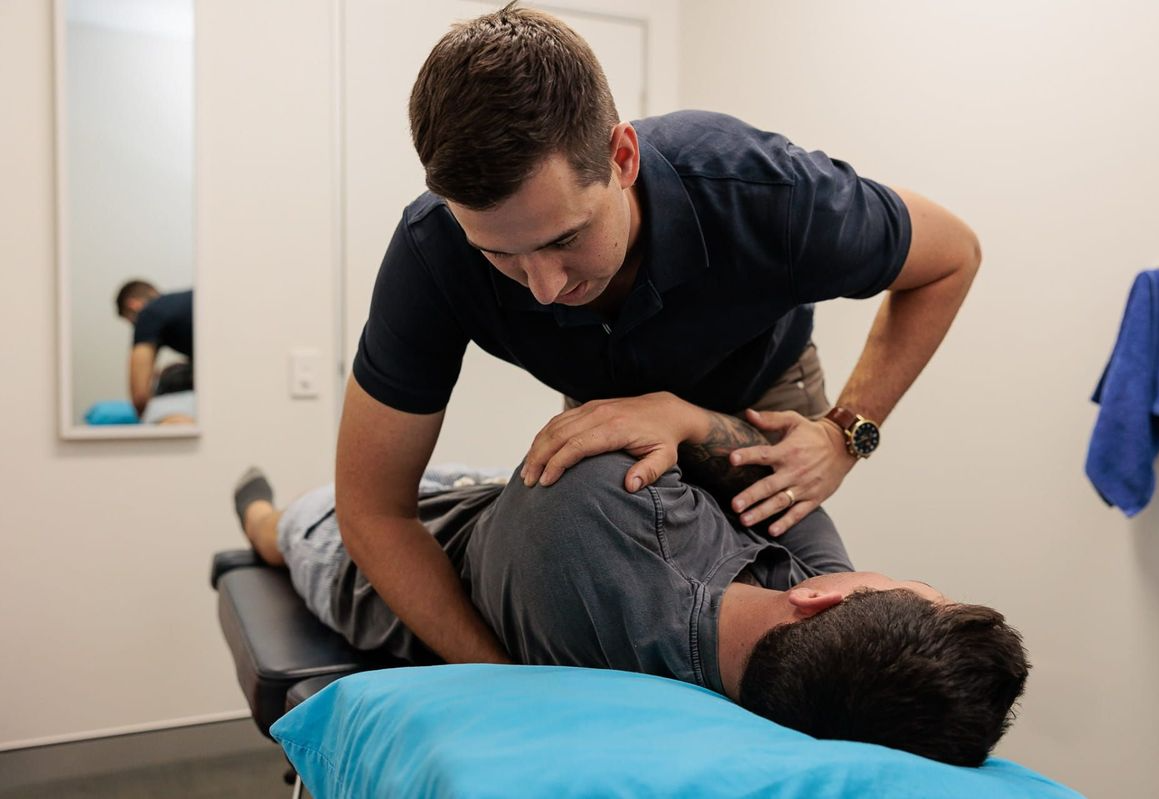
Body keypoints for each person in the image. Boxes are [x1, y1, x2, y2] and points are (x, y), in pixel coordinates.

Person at [337, 4, 983, 666]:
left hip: (759, 404)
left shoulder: (761, 190)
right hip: (606, 409)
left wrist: (848, 431)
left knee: (824, 660)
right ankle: (274, 526)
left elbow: (951, 254)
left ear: (621, 157)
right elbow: (372, 510)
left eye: (566, 238)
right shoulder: (434, 251)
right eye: (502, 256)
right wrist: (502, 683)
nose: (544, 288)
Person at [232, 453, 1028, 768]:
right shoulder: (797, 656)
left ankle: (255, 507)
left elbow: (748, 437)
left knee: (289, 524)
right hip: (499, 506)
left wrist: (682, 418)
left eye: (920, 583)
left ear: (820, 598)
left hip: (396, 551)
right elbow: (781, 467)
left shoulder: (599, 506)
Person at [114, 280, 194, 417]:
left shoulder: (148, 313)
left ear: (133, 305)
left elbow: (140, 397)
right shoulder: (191, 301)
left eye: (132, 322)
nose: (135, 326)